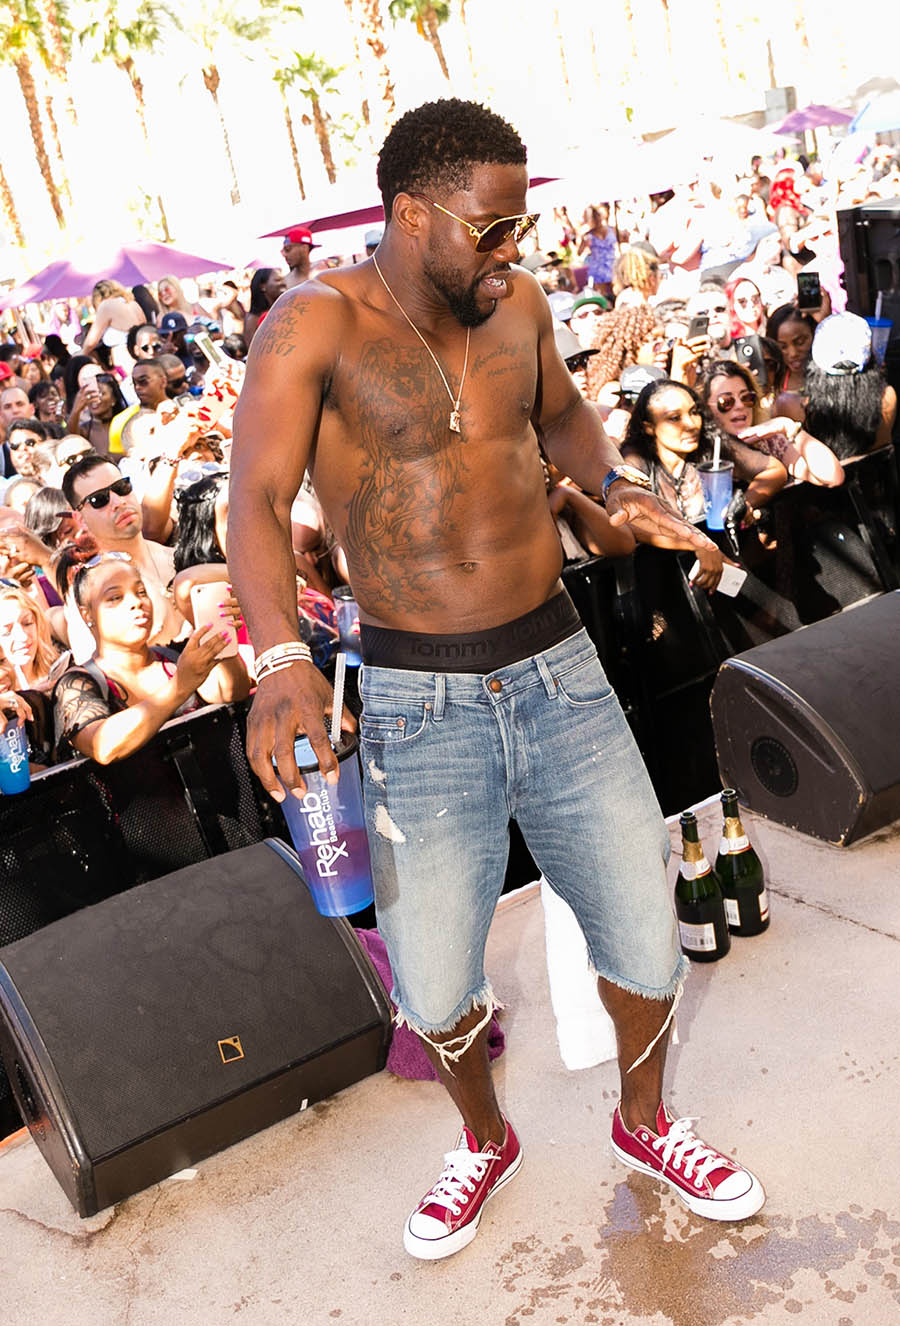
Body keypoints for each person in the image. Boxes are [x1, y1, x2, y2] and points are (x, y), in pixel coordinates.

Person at [228, 97, 766, 1262]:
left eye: (518, 225)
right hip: (418, 705)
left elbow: (565, 419)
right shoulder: (312, 324)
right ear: (412, 214)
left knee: (645, 935)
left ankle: (644, 1121)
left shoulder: (515, 301)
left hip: (561, 671)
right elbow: (256, 501)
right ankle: (484, 1138)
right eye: (492, 226)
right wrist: (278, 658)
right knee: (431, 988)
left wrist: (617, 486)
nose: (514, 248)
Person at [52, 550, 249, 764]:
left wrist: (220, 635)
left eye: (141, 592)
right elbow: (103, 747)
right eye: (115, 597)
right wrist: (180, 686)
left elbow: (233, 691)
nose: (136, 602)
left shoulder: (178, 657)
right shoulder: (76, 684)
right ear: (87, 614)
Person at [63, 454, 185, 646]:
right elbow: (93, 661)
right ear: (80, 519)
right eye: (99, 499)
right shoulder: (91, 593)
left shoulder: (179, 556)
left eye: (122, 487)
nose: (118, 502)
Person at [699, 359, 842, 489]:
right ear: (706, 407)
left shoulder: (769, 441)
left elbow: (833, 477)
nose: (740, 406)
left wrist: (790, 427)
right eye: (726, 401)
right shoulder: (699, 451)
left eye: (747, 397)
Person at [80, 280, 145, 372]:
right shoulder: (133, 305)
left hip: (125, 361)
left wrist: (80, 357)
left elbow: (91, 341)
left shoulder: (106, 306)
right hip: (141, 356)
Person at [576, 205, 616, 298]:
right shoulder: (588, 235)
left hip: (611, 264)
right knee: (601, 294)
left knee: (615, 290)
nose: (597, 220)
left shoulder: (611, 229)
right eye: (594, 218)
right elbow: (579, 252)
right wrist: (583, 241)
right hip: (598, 268)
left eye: (598, 216)